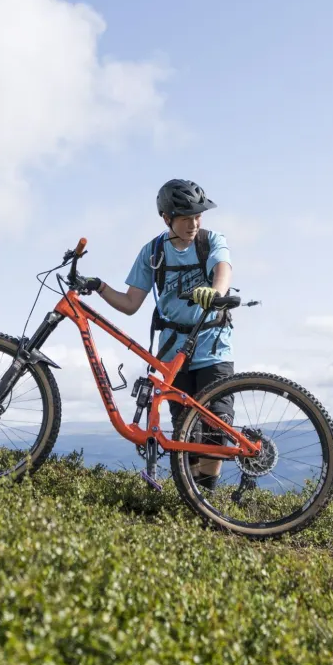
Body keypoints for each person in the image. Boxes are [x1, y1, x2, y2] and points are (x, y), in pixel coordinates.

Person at [83, 179, 235, 492]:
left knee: (214, 425)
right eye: (185, 217)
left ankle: (205, 496)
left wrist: (216, 294)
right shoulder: (153, 252)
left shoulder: (210, 241)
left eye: (198, 216)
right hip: (172, 353)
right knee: (184, 430)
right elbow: (130, 304)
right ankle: (194, 496)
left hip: (212, 345)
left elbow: (223, 270)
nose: (194, 223)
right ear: (167, 218)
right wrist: (99, 286)